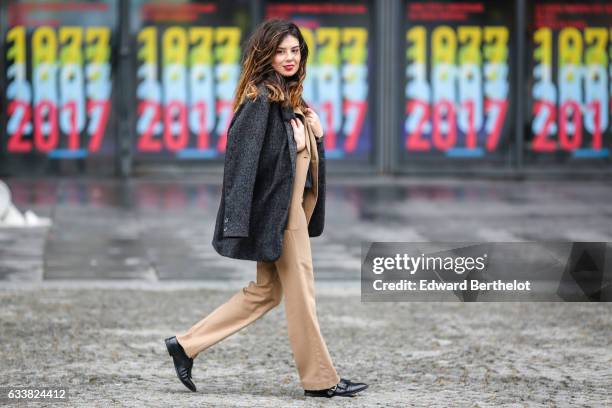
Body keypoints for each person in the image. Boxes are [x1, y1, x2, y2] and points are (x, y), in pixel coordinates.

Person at [164, 19, 368, 398]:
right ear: (265, 54)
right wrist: (237, 222)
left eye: (294, 51)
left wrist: (318, 136)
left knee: (267, 292)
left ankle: (185, 345)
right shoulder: (261, 100)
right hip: (280, 215)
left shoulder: (292, 101)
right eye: (280, 51)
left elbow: (304, 165)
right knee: (302, 294)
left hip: (291, 213)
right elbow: (239, 164)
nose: (288, 58)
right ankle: (320, 379)